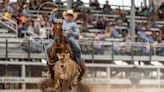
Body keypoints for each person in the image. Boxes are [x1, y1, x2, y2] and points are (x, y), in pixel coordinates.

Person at [47, 9, 85, 81]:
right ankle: (49, 62)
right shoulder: (61, 21)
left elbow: (77, 33)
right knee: (48, 47)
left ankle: (78, 61)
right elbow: (53, 20)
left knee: (78, 48)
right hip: (59, 38)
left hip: (69, 38)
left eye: (70, 15)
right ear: (66, 15)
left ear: (72, 17)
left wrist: (72, 33)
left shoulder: (73, 24)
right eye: (68, 15)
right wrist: (52, 13)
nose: (69, 16)